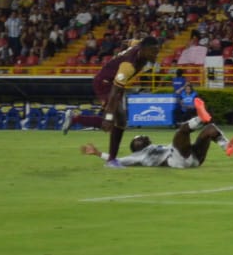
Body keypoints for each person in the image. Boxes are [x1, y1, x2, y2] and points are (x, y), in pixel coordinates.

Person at [64, 36, 161, 169]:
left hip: (116, 83)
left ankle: (76, 119)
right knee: (115, 121)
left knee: (116, 123)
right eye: (153, 52)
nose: (156, 55)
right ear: (143, 50)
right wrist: (109, 117)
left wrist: (120, 52)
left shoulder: (139, 45)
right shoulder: (128, 66)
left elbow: (126, 41)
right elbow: (114, 93)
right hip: (105, 83)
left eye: (157, 51)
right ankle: (111, 160)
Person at [80, 121, 233, 168]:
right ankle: (198, 117)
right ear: (136, 146)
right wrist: (98, 153)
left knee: (210, 129)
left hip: (193, 158)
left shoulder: (156, 146)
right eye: (139, 138)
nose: (143, 137)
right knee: (180, 133)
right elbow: (117, 160)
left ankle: (226, 146)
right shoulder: (138, 156)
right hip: (176, 161)